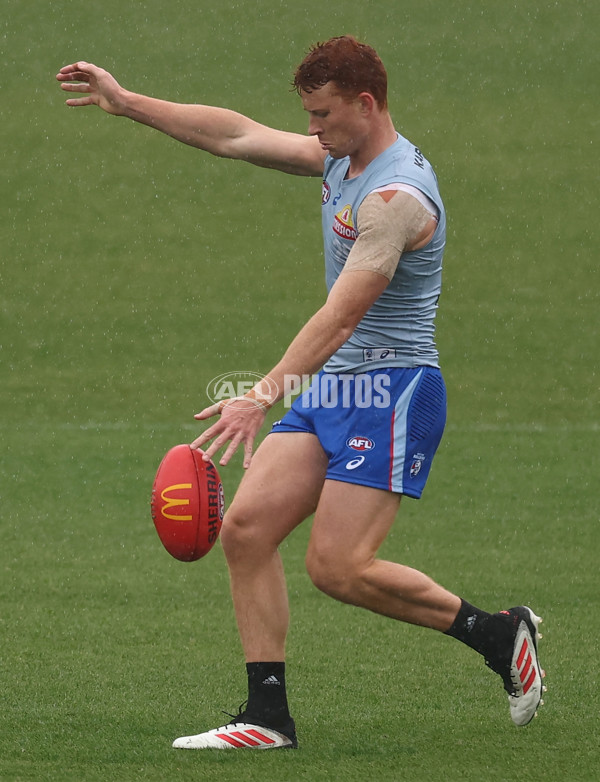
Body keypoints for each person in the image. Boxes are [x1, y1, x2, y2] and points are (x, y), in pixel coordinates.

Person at [57, 36, 545, 750]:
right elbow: (236, 135)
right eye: (309, 116)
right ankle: (267, 718)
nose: (311, 129)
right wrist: (128, 104)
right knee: (248, 531)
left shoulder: (394, 198)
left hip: (395, 391)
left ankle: (500, 636)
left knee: (338, 568)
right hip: (336, 386)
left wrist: (259, 395)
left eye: (321, 114)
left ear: (365, 103)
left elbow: (342, 314)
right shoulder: (342, 158)